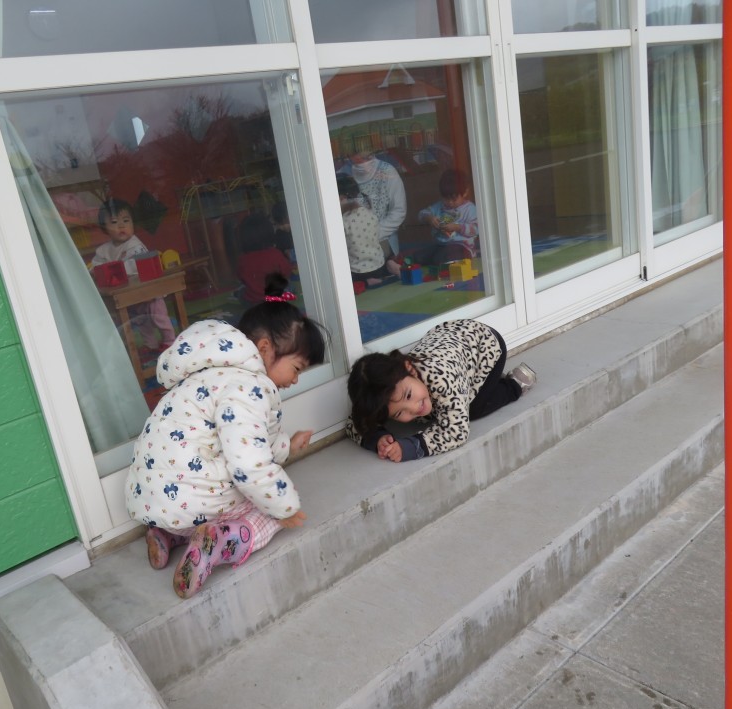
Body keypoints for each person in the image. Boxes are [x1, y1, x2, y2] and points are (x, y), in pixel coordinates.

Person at [125, 274, 327, 598]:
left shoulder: (204, 373)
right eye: (297, 368)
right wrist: (284, 506)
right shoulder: (249, 387)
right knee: (267, 509)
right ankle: (220, 543)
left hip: (156, 499)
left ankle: (166, 534)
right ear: (265, 349)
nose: (295, 381)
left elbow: (249, 439)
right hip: (198, 500)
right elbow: (248, 463)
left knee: (201, 494)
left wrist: (287, 446)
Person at [346, 319, 536, 462]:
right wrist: (377, 438)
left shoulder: (441, 378)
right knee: (448, 406)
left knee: (472, 409)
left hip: (485, 347)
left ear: (409, 368)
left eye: (408, 395)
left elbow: (456, 431)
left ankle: (514, 385)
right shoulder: (391, 388)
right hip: (448, 340)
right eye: (399, 413)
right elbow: (355, 422)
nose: (413, 408)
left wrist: (410, 447)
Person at [93, 198, 176, 350]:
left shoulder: (134, 245)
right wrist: (96, 271)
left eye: (126, 221)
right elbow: (96, 266)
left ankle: (170, 340)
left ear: (133, 223)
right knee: (141, 321)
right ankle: (150, 344)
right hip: (127, 294)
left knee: (159, 317)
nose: (121, 226)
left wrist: (115, 270)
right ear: (104, 228)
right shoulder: (104, 250)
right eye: (114, 222)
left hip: (148, 291)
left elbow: (136, 265)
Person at [336, 173, 399, 287]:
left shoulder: (342, 221)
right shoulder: (369, 213)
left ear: (342, 198)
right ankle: (389, 265)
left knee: (337, 276)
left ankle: (366, 281)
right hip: (379, 266)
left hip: (358, 272)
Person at [411, 169, 479, 266]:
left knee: (444, 257)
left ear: (465, 193)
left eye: (454, 199)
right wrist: (430, 218)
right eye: (446, 199)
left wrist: (457, 227)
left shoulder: (470, 208)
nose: (450, 202)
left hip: (462, 246)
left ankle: (440, 262)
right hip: (440, 245)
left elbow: (476, 229)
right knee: (419, 256)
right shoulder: (440, 206)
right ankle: (400, 266)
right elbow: (421, 214)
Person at [348, 149, 407, 258]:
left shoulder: (387, 171)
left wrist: (374, 234)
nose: (363, 163)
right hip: (354, 245)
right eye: (358, 159)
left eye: (366, 158)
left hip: (383, 240)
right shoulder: (344, 175)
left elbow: (399, 211)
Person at [236, 212, 294, 304]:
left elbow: (240, 276)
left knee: (242, 289)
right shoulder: (275, 254)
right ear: (269, 233)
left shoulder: (242, 258)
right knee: (289, 284)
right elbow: (287, 271)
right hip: (275, 298)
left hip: (252, 300)